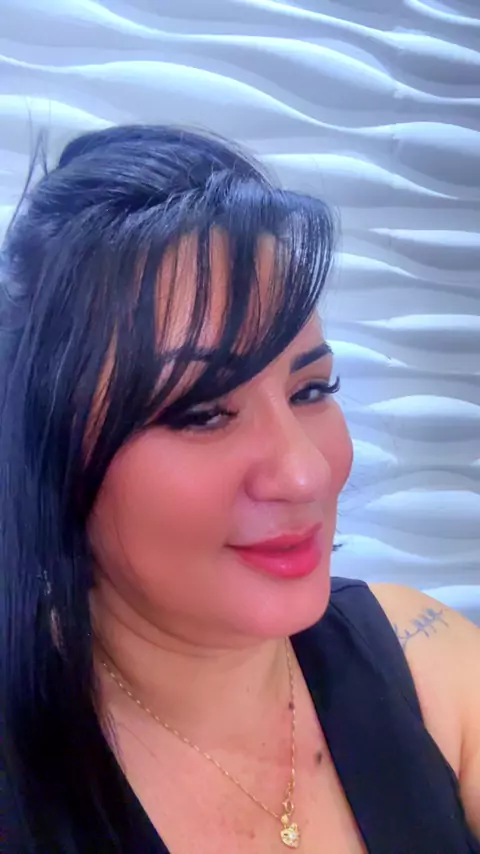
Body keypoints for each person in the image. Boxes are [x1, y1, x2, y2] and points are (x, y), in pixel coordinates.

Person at [0, 125, 479, 854]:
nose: (305, 473)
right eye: (201, 413)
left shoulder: (424, 661)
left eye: (311, 390)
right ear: (53, 450)